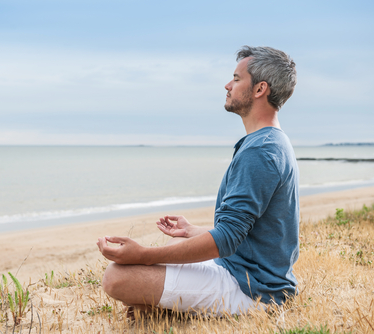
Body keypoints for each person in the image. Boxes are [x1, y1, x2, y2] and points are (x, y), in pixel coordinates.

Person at [97, 45, 299, 316]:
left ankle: (166, 309)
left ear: (260, 89)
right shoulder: (270, 141)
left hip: (253, 290)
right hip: (243, 269)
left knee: (116, 277)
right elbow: (248, 229)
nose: (228, 85)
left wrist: (142, 255)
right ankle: (162, 307)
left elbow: (227, 238)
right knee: (176, 244)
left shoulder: (261, 151)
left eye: (237, 79)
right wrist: (193, 230)